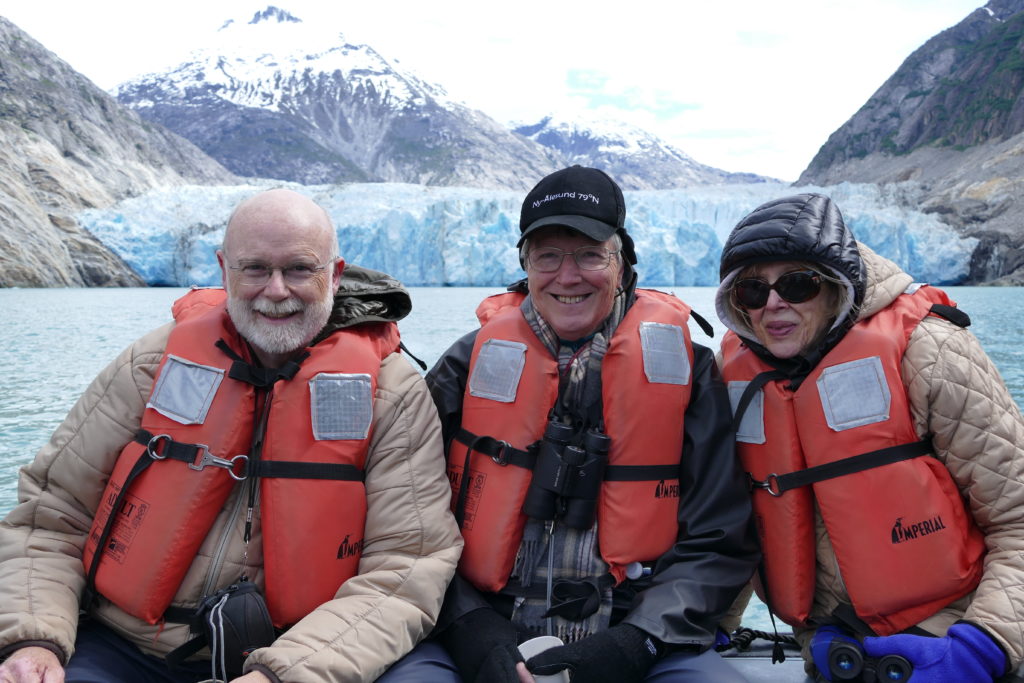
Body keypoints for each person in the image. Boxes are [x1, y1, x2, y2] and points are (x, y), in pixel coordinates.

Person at [0, 188, 462, 683]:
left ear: (336, 273)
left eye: (300, 269)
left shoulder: (389, 392)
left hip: (315, 650)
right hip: (132, 648)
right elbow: (50, 517)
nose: (277, 290)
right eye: (256, 269)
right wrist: (36, 637)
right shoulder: (152, 366)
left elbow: (406, 565)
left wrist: (284, 673)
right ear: (224, 271)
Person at [425, 165, 760, 683]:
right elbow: (411, 522)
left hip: (639, 631)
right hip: (482, 626)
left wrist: (638, 642)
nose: (568, 275)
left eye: (588, 254)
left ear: (622, 264)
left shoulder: (688, 368)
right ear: (525, 265)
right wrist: (469, 626)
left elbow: (718, 534)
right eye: (548, 256)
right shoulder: (466, 364)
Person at [714, 193, 1024, 682]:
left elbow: (1018, 518)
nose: (773, 303)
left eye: (798, 284)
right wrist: (706, 629)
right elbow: (736, 523)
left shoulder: (930, 351)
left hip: (956, 643)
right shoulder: (736, 377)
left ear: (836, 286)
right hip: (832, 651)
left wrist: (983, 647)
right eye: (752, 291)